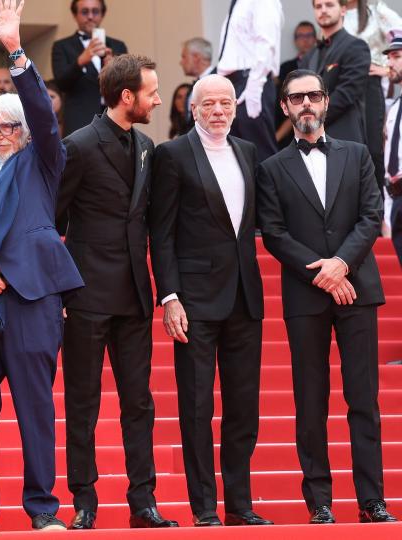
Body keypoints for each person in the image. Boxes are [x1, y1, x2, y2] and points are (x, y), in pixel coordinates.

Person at [0, 0, 84, 533]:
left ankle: (44, 510)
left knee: (34, 409)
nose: (2, 133)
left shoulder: (44, 162)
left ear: (27, 132)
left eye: (11, 126)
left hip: (31, 297)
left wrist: (15, 52)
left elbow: (44, 115)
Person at [257, 69, 397, 525]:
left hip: (357, 288)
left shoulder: (357, 155)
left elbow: (370, 215)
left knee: (363, 399)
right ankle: (319, 502)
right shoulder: (271, 168)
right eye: (296, 98)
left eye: (313, 96)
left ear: (326, 101)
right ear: (285, 108)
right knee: (310, 400)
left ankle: (371, 500)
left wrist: (341, 264)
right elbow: (274, 234)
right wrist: (322, 273)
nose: (306, 105)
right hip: (306, 295)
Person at [58, 53, 177, 530]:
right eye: (151, 91)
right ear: (127, 96)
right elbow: (51, 221)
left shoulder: (147, 146)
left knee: (139, 403)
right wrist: (57, 290)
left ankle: (142, 501)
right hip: (85, 295)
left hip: (134, 294)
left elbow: (151, 224)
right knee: (82, 402)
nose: (157, 98)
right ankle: (84, 501)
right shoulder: (79, 146)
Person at [149, 75, 272, 527]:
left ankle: (240, 505)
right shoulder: (173, 155)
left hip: (244, 298)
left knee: (244, 408)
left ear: (235, 109)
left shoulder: (248, 152)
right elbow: (160, 232)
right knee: (198, 408)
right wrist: (170, 296)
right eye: (209, 104)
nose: (218, 110)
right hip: (195, 301)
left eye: (226, 103)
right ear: (194, 109)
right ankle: (205, 507)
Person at [215, 0, 283, 162]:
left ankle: (270, 188)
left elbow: (266, 43)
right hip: (232, 84)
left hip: (251, 82)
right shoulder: (238, 4)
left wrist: (254, 86)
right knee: (235, 156)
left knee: (260, 154)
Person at [345, 0, 402, 187]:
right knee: (349, 148)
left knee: (375, 149)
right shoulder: (336, 11)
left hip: (372, 86)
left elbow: (399, 42)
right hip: (345, 87)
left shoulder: (377, 11)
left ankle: (379, 206)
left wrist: (386, 69)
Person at [52, 0, 128, 134]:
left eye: (95, 11)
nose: (90, 16)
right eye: (85, 12)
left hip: (114, 119)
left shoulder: (118, 46)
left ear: (102, 15)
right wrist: (81, 61)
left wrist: (113, 70)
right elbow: (61, 83)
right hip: (79, 122)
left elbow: (128, 85)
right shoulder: (62, 46)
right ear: (75, 15)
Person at [300, 0, 370, 146]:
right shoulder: (309, 56)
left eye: (329, 5)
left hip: (344, 139)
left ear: (343, 10)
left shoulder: (356, 46)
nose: (323, 10)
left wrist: (313, 117)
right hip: (309, 140)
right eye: (318, 6)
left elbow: (347, 93)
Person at [277, 21, 318, 148]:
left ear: (316, 39)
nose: (305, 40)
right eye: (301, 36)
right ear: (295, 41)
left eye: (309, 35)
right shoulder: (285, 68)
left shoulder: (322, 64)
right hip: (289, 131)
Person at [383, 30, 402, 268]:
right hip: (397, 199)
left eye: (396, 56)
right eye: (389, 57)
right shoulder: (395, 107)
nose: (390, 63)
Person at [179, 37, 214, 131]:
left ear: (196, 58)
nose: (181, 62)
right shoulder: (194, 86)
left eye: (184, 57)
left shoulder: (218, 83)